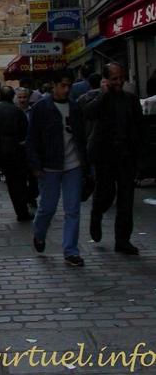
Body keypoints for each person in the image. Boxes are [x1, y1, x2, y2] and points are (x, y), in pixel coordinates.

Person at [26, 69, 87, 267]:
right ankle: (39, 233)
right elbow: (32, 138)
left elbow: (81, 137)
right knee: (47, 208)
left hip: (73, 165)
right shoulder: (42, 108)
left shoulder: (75, 107)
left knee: (73, 209)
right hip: (50, 166)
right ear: (53, 85)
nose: (66, 89)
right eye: (63, 85)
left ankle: (71, 251)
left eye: (69, 85)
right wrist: (35, 165)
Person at [82, 63, 144, 255]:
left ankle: (123, 240)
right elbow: (89, 113)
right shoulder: (98, 98)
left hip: (126, 155)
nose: (119, 82)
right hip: (104, 155)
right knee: (106, 193)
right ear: (106, 80)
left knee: (126, 199)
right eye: (114, 79)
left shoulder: (131, 100)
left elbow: (138, 126)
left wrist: (138, 154)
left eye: (121, 78)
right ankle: (96, 213)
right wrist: (104, 94)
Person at [0, 86, 33, 222]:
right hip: (12, 150)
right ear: (12, 97)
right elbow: (24, 133)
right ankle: (22, 213)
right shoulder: (17, 112)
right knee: (16, 184)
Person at [15, 86, 39, 209]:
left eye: (24, 97)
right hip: (18, 149)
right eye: (20, 97)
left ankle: (32, 196)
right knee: (21, 177)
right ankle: (25, 197)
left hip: (32, 149)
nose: (22, 100)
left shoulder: (34, 112)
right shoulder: (13, 112)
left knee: (33, 176)